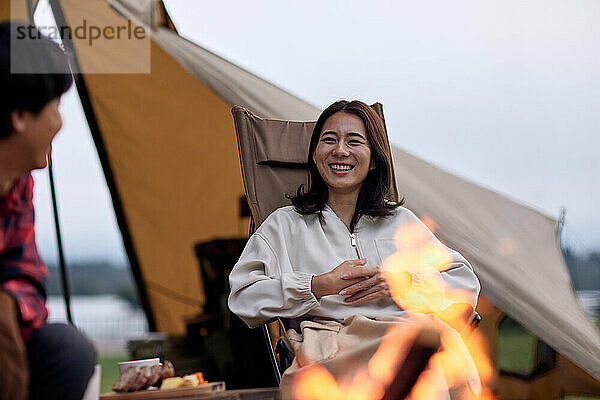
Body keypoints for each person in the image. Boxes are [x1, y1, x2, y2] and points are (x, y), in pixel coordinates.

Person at [228, 100, 481, 398]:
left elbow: (465, 284)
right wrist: (317, 285)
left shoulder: (400, 222)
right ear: (315, 154)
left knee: (429, 359)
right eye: (329, 140)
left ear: (374, 159)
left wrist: (404, 284)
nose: (341, 151)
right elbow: (243, 297)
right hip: (331, 345)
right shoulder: (285, 225)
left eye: (354, 141)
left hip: (406, 337)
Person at [0, 22, 96, 400]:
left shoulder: (18, 182)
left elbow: (27, 277)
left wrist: (6, 306)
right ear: (19, 116)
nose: (59, 123)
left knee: (68, 351)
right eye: (55, 107)